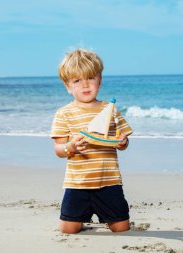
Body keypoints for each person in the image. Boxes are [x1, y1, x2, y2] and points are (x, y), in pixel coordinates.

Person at [50, 49, 133, 234]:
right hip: (77, 183)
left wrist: (122, 142)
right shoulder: (64, 113)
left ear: (100, 81)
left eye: (90, 78)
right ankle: (79, 220)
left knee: (121, 228)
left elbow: (123, 141)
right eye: (77, 80)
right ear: (68, 86)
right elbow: (58, 149)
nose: (85, 84)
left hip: (109, 181)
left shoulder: (110, 109)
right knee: (68, 229)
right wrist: (70, 147)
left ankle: (107, 216)